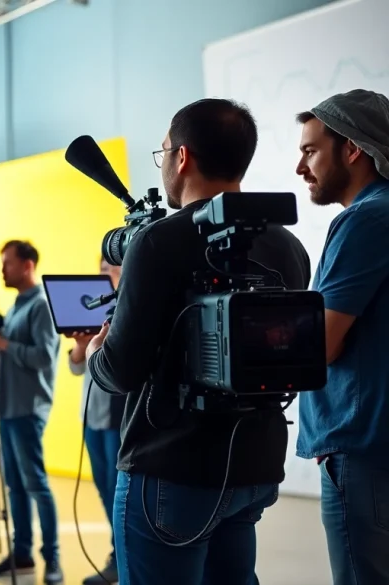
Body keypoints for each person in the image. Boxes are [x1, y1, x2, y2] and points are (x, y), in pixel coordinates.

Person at [85, 98, 311, 585]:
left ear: (181, 157)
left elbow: (120, 370)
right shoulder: (288, 246)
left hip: (171, 471)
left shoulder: (158, 242)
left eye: (163, 151)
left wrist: (93, 352)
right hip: (255, 467)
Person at [293, 89, 389, 585]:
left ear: (352, 148)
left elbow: (322, 344)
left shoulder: (367, 219)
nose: (300, 167)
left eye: (310, 150)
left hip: (363, 451)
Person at [0, 240, 63, 585]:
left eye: (7, 263)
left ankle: (52, 559)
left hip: (28, 408)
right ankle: (22, 554)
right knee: (14, 486)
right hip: (9, 406)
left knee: (36, 485)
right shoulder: (16, 305)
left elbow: (44, 357)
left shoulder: (41, 305)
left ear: (27, 265)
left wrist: (1, 344)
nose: (2, 269)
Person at [67, 256, 124, 585]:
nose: (103, 273)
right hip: (92, 416)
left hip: (119, 418)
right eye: (100, 268)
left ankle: (122, 556)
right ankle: (117, 552)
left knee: (119, 491)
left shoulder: (130, 306)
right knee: (104, 489)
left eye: (109, 268)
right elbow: (76, 366)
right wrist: (81, 346)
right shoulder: (91, 307)